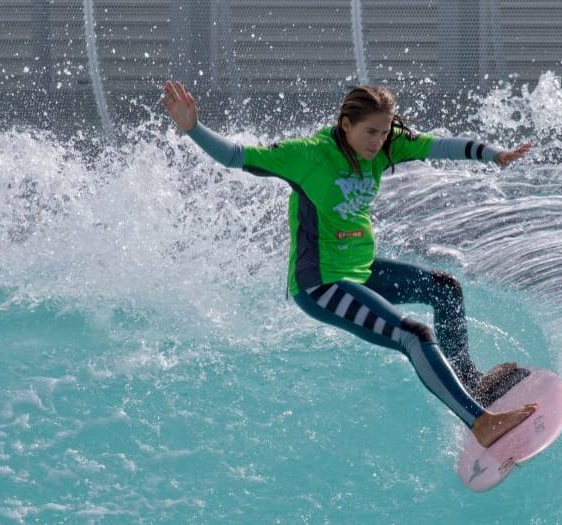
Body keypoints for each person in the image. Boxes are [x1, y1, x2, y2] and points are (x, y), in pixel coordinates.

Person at [160, 80, 536, 447]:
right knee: (414, 335)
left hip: (362, 270)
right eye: (370, 132)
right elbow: (236, 155)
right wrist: (193, 128)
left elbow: (439, 146)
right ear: (345, 125)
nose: (377, 142)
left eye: (384, 133)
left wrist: (494, 154)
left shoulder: (387, 146)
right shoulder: (308, 155)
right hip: (322, 284)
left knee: (445, 289)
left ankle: (471, 385)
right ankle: (480, 423)